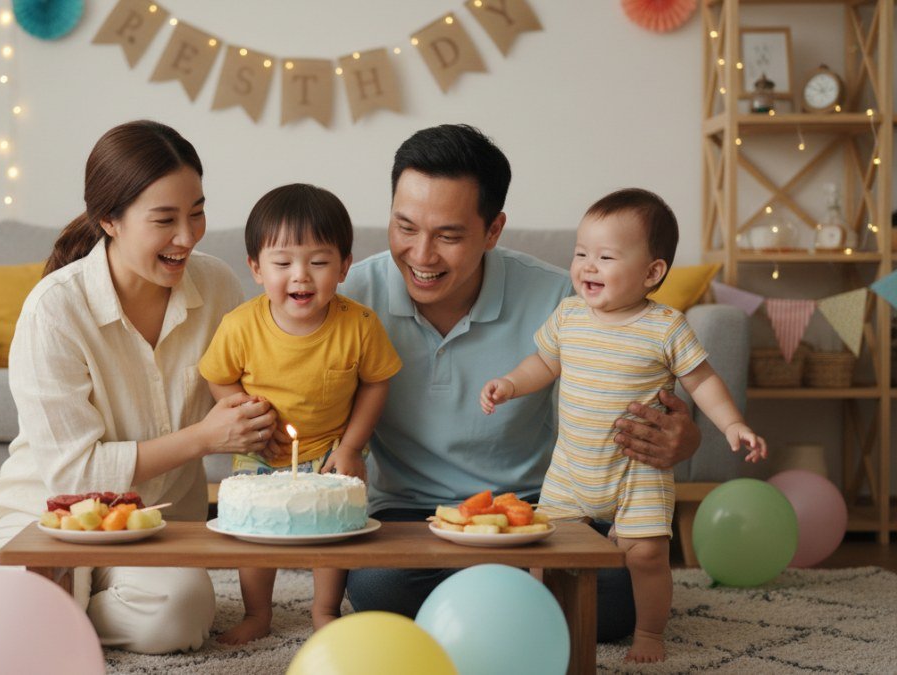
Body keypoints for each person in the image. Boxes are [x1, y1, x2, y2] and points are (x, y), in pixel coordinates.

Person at [0, 120, 278, 655]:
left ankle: (26, 612)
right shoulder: (55, 308)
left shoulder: (218, 284)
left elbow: (247, 384)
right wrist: (204, 439)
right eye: (166, 220)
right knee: (30, 630)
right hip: (47, 515)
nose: (187, 235)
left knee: (177, 621)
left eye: (197, 212)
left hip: (156, 526)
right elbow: (76, 474)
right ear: (109, 219)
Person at [338, 124, 703, 642]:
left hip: (537, 511)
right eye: (405, 227)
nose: (421, 255)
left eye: (448, 235)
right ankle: (520, 602)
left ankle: (489, 601)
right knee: (378, 588)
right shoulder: (352, 295)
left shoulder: (564, 299)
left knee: (622, 597)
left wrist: (681, 439)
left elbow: (651, 402)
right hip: (413, 515)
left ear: (493, 231)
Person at [480, 188, 766, 662]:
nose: (587, 266)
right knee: (548, 555)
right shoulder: (569, 315)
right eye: (581, 254)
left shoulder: (666, 326)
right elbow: (543, 363)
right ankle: (542, 623)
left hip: (638, 472)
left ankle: (650, 633)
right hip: (572, 468)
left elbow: (703, 381)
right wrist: (510, 384)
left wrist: (733, 424)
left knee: (647, 556)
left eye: (606, 256)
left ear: (652, 272)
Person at [199, 184, 401, 644]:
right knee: (252, 536)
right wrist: (245, 415)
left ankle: (324, 610)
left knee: (333, 533)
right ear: (255, 268)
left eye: (318, 261)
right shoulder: (240, 325)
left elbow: (377, 381)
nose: (301, 276)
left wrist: (351, 447)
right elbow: (217, 376)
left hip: (333, 449)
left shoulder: (360, 325)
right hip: (262, 449)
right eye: (283, 262)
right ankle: (257, 613)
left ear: (345, 266)